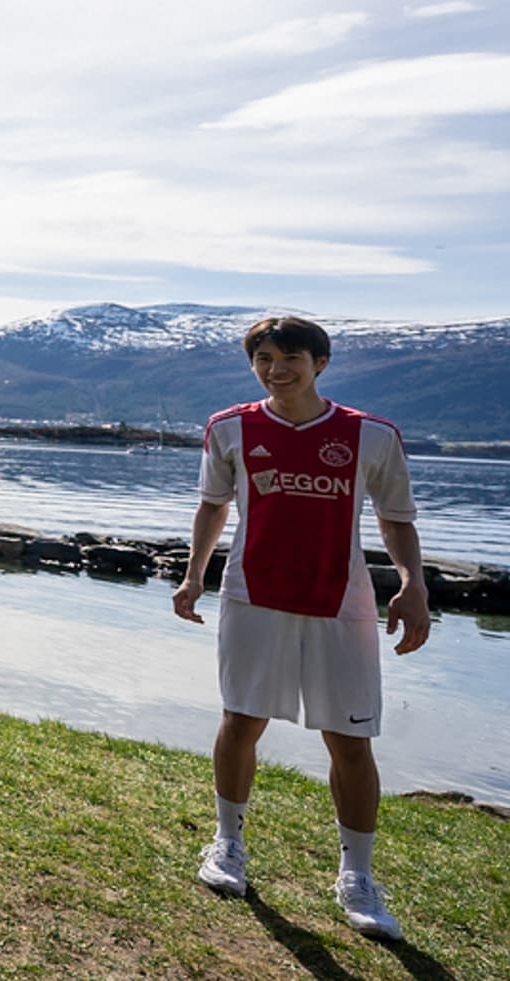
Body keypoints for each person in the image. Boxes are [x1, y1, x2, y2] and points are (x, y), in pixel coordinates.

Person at [174, 316, 429, 940]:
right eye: (264, 357)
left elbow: (396, 519)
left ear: (321, 363)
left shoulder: (371, 436)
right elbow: (213, 504)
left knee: (349, 741)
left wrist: (412, 584)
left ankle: (358, 877)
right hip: (252, 597)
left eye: (290, 356)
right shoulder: (229, 427)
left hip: (341, 606)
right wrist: (193, 577)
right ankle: (227, 844)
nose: (276, 368)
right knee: (241, 720)